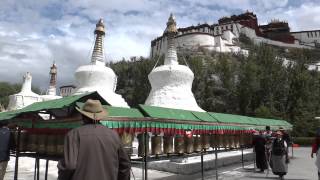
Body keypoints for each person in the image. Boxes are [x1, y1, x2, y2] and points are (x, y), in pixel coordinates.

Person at [57, 99, 131, 180]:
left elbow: (69, 166)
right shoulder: (113, 135)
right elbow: (125, 165)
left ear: (82, 115)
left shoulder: (73, 135)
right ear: (100, 117)